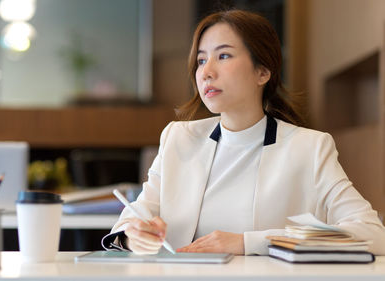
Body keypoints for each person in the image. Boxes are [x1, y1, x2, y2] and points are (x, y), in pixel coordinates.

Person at [101, 9, 385, 256]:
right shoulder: (177, 138)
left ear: (263, 72)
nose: (206, 72)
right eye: (201, 60)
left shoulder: (309, 148)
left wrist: (247, 243)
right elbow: (131, 221)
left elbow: (373, 234)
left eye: (223, 55)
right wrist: (134, 237)